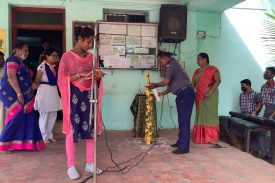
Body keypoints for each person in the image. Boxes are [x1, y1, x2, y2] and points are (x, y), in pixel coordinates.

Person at [58, 27, 104, 180]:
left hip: (90, 96)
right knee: (72, 131)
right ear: (79, 39)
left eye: (92, 42)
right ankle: (70, 166)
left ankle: (90, 163)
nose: (90, 45)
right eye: (88, 42)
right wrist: (78, 75)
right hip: (74, 98)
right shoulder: (67, 57)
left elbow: (97, 79)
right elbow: (61, 80)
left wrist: (98, 76)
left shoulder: (92, 58)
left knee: (90, 130)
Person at [148, 51, 195, 154]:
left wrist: (155, 85)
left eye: (161, 60)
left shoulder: (171, 64)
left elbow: (166, 81)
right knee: (181, 120)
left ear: (165, 58)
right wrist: (162, 94)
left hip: (185, 94)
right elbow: (171, 86)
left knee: (184, 120)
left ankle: (184, 148)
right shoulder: (172, 65)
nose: (161, 63)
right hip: (182, 94)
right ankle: (180, 142)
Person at [0, 42, 45, 151]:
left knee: (27, 118)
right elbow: (11, 76)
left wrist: (33, 86)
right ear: (18, 50)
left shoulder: (22, 63)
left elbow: (25, 80)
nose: (27, 52)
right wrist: (19, 93)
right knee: (16, 118)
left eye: (28, 50)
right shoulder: (13, 60)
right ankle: (5, 144)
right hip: (13, 96)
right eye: (25, 50)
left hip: (25, 96)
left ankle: (24, 144)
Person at [34, 48, 62, 143]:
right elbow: (37, 80)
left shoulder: (54, 67)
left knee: (53, 113)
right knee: (45, 114)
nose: (55, 57)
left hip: (53, 91)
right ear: (47, 56)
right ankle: (43, 136)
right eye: (53, 55)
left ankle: (49, 135)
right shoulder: (42, 66)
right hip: (44, 91)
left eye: (56, 56)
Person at [192, 53, 221, 144]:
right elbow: (192, 85)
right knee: (200, 115)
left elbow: (218, 81)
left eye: (199, 59)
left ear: (205, 59)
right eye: (197, 59)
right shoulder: (196, 71)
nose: (197, 61)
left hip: (210, 96)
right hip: (199, 96)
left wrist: (210, 92)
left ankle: (210, 136)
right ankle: (200, 136)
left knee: (210, 116)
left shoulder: (213, 69)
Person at [252, 67, 275, 159]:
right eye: (265, 72)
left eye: (268, 72)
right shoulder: (263, 86)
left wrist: (272, 116)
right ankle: (264, 153)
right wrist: (255, 111)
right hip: (267, 110)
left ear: (273, 75)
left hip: (274, 110)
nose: (265, 73)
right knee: (261, 132)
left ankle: (271, 155)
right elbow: (261, 101)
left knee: (273, 135)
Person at [0, 51, 5, 134]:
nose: (2, 60)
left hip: (4, 95)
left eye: (2, 58)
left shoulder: (6, 68)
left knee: (2, 115)